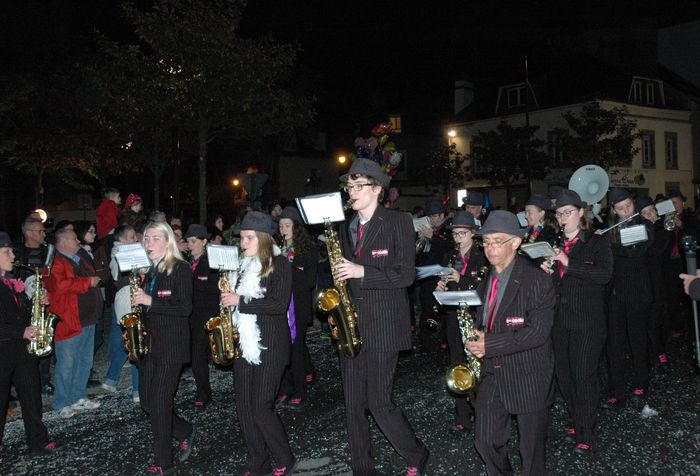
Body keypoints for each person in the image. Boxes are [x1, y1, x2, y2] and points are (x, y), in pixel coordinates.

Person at [334, 158, 429, 475]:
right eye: (349, 185)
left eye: (358, 185)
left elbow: (405, 275)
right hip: (352, 326)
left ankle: (416, 454)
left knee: (378, 402)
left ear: (377, 189)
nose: (351, 191)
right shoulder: (346, 226)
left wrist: (362, 271)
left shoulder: (398, 221)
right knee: (352, 403)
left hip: (384, 325)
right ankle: (362, 467)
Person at [465, 210, 555, 476]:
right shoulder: (484, 280)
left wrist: (489, 344)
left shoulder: (537, 280)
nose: (490, 248)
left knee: (532, 455)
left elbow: (537, 332)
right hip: (494, 372)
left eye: (498, 241)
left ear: (516, 243)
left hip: (529, 375)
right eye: (487, 241)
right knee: (484, 440)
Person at [220, 211, 296, 475]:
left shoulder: (280, 263)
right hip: (244, 343)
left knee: (261, 406)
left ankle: (284, 456)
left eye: (248, 238)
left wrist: (239, 301)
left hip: (271, 345)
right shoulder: (242, 266)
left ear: (263, 238)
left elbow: (277, 304)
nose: (243, 243)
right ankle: (258, 458)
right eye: (241, 238)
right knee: (243, 406)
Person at [541, 190, 612, 455]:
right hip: (559, 320)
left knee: (584, 376)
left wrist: (568, 262)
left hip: (587, 321)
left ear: (581, 212)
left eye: (568, 212)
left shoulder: (596, 241)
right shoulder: (554, 243)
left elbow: (604, 275)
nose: (563, 218)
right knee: (564, 376)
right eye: (559, 214)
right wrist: (546, 273)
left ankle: (587, 431)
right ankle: (575, 418)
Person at [131, 221, 194, 475]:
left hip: (172, 345)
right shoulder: (151, 271)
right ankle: (183, 430)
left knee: (159, 401)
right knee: (147, 400)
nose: (148, 243)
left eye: (154, 238)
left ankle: (163, 461)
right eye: (146, 239)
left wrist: (150, 300)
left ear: (167, 241)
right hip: (151, 344)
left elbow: (184, 308)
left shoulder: (180, 268)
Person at [0, 231, 57, 456]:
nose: (12, 255)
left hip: (22, 349)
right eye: (6, 251)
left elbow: (21, 313)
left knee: (32, 396)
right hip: (3, 349)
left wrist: (38, 303)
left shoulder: (13, 282)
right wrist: (20, 330)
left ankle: (38, 441)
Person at [434, 211, 486, 434]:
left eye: (462, 234)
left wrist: (461, 279)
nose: (457, 238)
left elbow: (484, 288)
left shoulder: (482, 256)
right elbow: (443, 285)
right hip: (454, 317)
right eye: (454, 234)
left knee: (479, 364)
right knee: (458, 363)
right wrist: (439, 288)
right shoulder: (448, 257)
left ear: (473, 234)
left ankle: (482, 409)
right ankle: (462, 413)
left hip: (476, 317)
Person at [603, 188, 654, 408]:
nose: (626, 211)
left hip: (638, 290)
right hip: (616, 292)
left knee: (637, 337)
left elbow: (635, 252)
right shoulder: (608, 230)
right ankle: (617, 388)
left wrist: (610, 244)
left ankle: (642, 379)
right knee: (615, 342)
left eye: (629, 206)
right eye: (620, 208)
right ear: (613, 211)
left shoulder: (646, 226)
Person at [44, 228, 103, 419]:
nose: (78, 241)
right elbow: (60, 286)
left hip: (87, 318)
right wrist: (88, 282)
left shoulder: (79, 257)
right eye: (73, 238)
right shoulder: (56, 261)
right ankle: (62, 402)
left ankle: (78, 397)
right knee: (67, 364)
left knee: (84, 362)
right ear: (62, 242)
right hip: (69, 320)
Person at [276, 206, 318, 409]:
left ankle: (300, 390)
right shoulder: (278, 249)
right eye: (281, 225)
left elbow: (309, 280)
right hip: (279, 306)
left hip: (297, 307)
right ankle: (285, 387)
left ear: (296, 228)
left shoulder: (306, 249)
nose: (283, 229)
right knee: (281, 350)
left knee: (296, 349)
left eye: (287, 225)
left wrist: (289, 267)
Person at [100, 225, 140, 403]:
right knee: (136, 342)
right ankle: (138, 390)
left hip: (128, 296)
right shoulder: (121, 253)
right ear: (122, 239)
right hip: (127, 297)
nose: (135, 240)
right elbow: (119, 277)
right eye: (132, 237)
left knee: (131, 342)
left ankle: (111, 379)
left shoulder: (124, 251)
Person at [14, 216, 53, 394]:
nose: (44, 234)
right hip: (23, 306)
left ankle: (44, 381)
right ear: (28, 233)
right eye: (40, 231)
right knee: (24, 347)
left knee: (45, 340)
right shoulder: (17, 254)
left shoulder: (49, 252)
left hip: (45, 302)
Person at [184, 224, 219, 408]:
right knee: (195, 355)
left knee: (198, 355)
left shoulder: (211, 262)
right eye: (188, 241)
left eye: (193, 241)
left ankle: (203, 393)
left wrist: (193, 283)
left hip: (207, 315)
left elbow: (216, 289)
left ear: (204, 242)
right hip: (191, 316)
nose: (190, 245)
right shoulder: (186, 262)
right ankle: (203, 390)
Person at [638, 196, 674, 364]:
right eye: (645, 213)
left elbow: (659, 253)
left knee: (660, 314)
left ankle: (661, 348)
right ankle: (656, 349)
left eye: (652, 210)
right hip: (644, 281)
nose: (650, 215)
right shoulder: (640, 230)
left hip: (660, 279)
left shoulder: (662, 227)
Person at [416, 198, 453, 342]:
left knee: (441, 309)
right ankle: (426, 338)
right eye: (430, 216)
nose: (432, 219)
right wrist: (421, 240)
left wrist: (432, 237)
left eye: (435, 216)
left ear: (442, 216)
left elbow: (450, 247)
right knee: (426, 305)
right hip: (427, 273)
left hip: (441, 273)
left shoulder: (448, 229)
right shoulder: (429, 228)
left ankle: (441, 339)